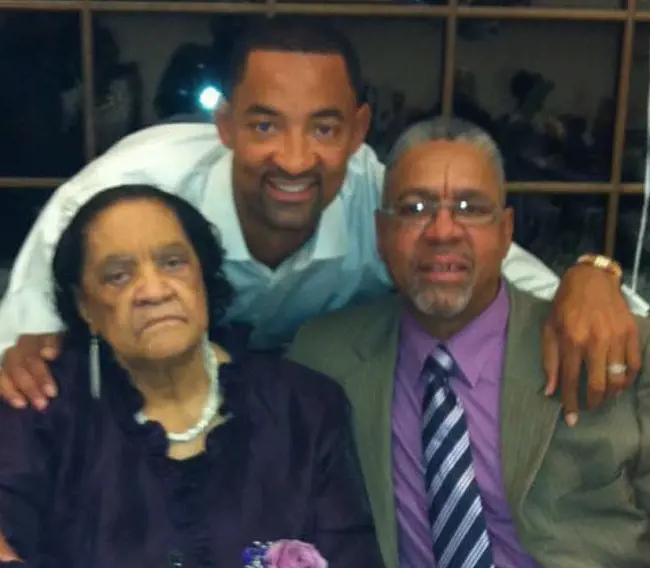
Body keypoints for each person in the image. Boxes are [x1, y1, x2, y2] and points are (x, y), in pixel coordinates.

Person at [0, 17, 643, 432]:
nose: (295, 158)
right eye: (264, 125)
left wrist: (592, 276)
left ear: (359, 132)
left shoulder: (383, 204)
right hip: (139, 423)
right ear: (223, 125)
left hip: (301, 429)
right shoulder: (123, 195)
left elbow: (502, 271)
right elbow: (19, 368)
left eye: (326, 128)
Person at [288, 117, 650, 568]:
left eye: (470, 209)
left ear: (507, 231)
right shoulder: (325, 357)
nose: (442, 230)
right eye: (413, 209)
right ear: (382, 234)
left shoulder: (606, 342)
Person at [0, 184, 390, 568]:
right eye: (118, 276)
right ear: (86, 307)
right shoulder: (38, 406)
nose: (152, 289)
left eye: (172, 262)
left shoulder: (303, 406)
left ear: (203, 274)